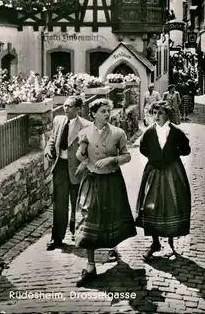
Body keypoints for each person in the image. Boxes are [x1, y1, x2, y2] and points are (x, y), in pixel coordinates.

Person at [74, 98, 136, 287]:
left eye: (108, 110)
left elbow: (127, 156)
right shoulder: (84, 133)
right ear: (92, 114)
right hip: (92, 181)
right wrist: (82, 149)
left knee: (111, 216)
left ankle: (113, 248)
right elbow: (79, 157)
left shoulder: (118, 133)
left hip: (112, 181)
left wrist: (112, 160)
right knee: (89, 219)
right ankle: (90, 266)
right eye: (102, 111)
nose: (107, 114)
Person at [135, 101, 191, 260]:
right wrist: (155, 159)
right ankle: (155, 242)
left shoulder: (176, 132)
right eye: (154, 113)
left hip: (172, 172)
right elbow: (143, 149)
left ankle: (170, 238)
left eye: (160, 113)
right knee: (151, 205)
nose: (157, 116)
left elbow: (186, 149)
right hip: (153, 171)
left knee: (172, 203)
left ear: (167, 114)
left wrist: (171, 155)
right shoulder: (149, 132)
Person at [44, 96, 92, 250]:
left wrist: (84, 165)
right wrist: (48, 149)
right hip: (60, 167)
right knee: (59, 204)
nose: (66, 109)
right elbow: (53, 137)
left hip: (77, 170)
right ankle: (57, 238)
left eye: (70, 106)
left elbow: (90, 151)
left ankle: (77, 234)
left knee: (77, 203)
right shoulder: (58, 120)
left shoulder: (86, 126)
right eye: (64, 105)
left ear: (78, 109)